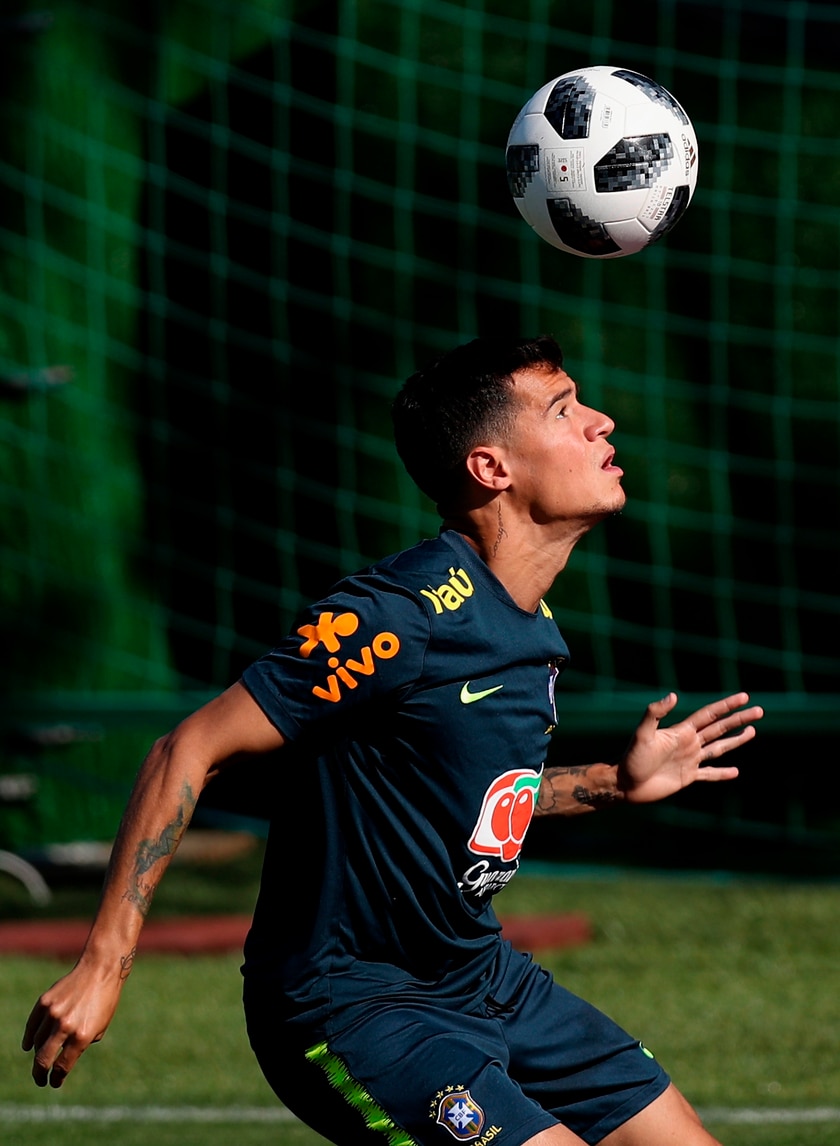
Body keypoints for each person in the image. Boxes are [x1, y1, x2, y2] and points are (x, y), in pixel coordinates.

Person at [23, 335, 762, 1146]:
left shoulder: (532, 628)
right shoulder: (398, 614)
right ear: (491, 468)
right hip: (355, 1007)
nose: (601, 421)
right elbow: (187, 749)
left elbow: (467, 797)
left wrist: (615, 782)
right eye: (563, 410)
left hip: (483, 978)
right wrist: (105, 963)